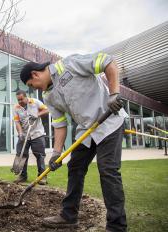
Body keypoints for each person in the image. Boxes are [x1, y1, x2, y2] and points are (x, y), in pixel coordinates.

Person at [20, 52, 127, 232]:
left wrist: (114, 93)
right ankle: (68, 216)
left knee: (108, 170)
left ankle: (117, 227)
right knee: (75, 168)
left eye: (32, 85)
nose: (35, 89)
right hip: (87, 130)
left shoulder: (70, 64)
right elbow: (60, 124)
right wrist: (56, 153)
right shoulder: (48, 96)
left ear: (35, 74)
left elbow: (108, 62)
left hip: (109, 122)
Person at [13, 90, 49, 185]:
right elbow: (17, 122)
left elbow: (46, 110)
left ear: (26, 97)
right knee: (21, 154)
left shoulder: (35, 102)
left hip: (37, 134)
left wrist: (37, 115)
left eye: (21, 99)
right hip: (24, 135)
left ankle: (42, 176)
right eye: (18, 100)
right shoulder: (16, 108)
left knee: (39, 155)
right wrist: (20, 133)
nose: (20, 101)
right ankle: (22, 175)